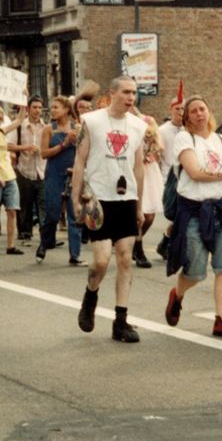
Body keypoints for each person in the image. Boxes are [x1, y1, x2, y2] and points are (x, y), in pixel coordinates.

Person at [163, 96, 222, 337]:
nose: (199, 114)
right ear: (187, 117)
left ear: (209, 111)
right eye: (193, 111)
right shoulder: (184, 139)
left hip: (220, 209)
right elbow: (194, 172)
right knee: (195, 270)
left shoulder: (221, 139)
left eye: (202, 109)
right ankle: (177, 295)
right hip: (193, 211)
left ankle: (221, 319)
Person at [70, 77, 147, 343]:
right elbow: (79, 161)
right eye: (126, 92)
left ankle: (121, 322)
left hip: (126, 199)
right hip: (98, 198)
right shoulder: (91, 121)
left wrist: (139, 204)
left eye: (134, 93)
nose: (131, 97)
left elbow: (139, 167)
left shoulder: (139, 126)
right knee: (101, 260)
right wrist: (75, 198)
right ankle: (91, 295)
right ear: (112, 92)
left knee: (125, 258)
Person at [37, 95, 82, 265]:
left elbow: (84, 152)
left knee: (74, 214)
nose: (53, 110)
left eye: (56, 107)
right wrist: (64, 143)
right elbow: (43, 153)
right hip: (54, 173)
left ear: (66, 110)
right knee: (53, 213)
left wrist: (77, 140)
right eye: (52, 107)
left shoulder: (77, 127)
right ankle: (45, 242)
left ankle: (75, 255)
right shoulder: (49, 129)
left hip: (72, 174)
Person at [0, 105, 24, 256]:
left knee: (12, 210)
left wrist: (23, 102)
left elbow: (19, 120)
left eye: (0, 119)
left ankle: (11, 245)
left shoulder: (2, 131)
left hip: (9, 174)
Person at [9, 95, 47, 243]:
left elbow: (49, 145)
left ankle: (46, 233)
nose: (37, 111)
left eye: (40, 107)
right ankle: (25, 232)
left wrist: (42, 149)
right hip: (24, 169)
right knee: (25, 203)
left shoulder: (46, 127)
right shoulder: (19, 126)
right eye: (34, 107)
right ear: (28, 109)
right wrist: (25, 147)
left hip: (42, 170)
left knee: (43, 203)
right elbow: (8, 145)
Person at [156, 87, 185, 258]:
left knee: (183, 216)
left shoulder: (190, 130)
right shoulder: (163, 130)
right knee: (177, 215)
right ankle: (169, 244)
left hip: (187, 178)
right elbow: (158, 155)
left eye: (183, 109)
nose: (180, 112)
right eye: (177, 109)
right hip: (169, 178)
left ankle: (167, 243)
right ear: (171, 109)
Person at [132, 111, 164, 268]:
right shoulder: (126, 121)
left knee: (149, 217)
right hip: (133, 169)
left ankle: (134, 242)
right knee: (139, 215)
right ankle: (138, 249)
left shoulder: (148, 119)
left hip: (149, 171)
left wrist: (153, 145)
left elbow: (159, 147)